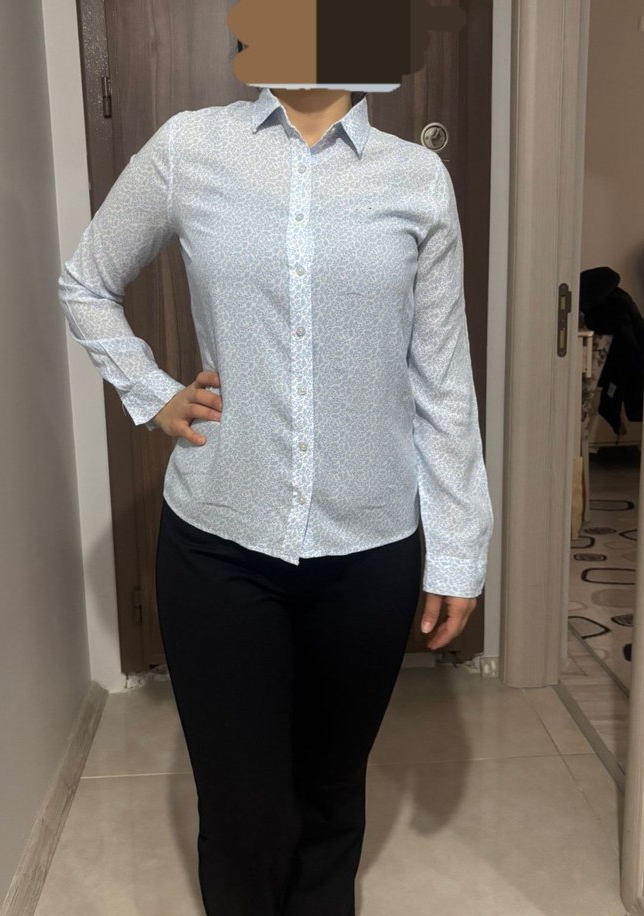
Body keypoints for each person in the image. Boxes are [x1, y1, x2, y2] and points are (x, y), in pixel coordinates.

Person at [57, 58, 493, 916]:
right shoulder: (190, 148)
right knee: (241, 809)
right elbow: (87, 282)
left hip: (369, 546)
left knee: (330, 797)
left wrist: (458, 549)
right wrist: (153, 394)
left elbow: (441, 380)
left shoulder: (415, 179)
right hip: (221, 540)